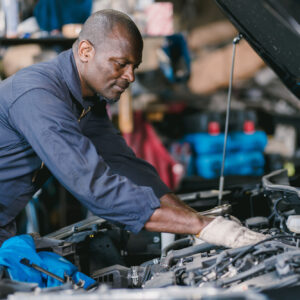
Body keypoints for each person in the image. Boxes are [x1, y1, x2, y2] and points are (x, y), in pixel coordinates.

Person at [0, 9, 266, 248]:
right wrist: (201, 227)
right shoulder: (39, 96)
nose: (130, 76)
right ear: (85, 52)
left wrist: (196, 219)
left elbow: (124, 164)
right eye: (120, 64)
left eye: (134, 66)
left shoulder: (85, 99)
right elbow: (96, 187)